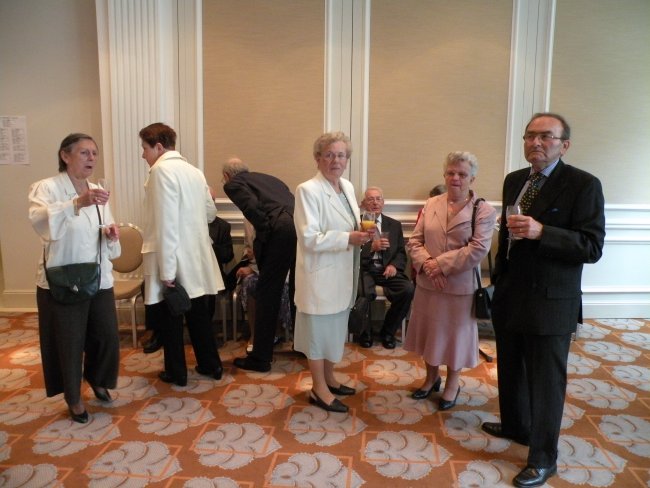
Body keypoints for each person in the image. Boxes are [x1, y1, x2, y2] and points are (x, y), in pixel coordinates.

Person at [481, 113, 605, 488]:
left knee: (546, 382)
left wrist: (542, 232)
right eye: (530, 136)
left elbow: (591, 246)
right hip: (511, 294)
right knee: (511, 369)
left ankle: (543, 458)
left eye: (546, 137)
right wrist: (498, 281)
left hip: (551, 301)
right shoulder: (515, 180)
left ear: (564, 145)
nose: (536, 143)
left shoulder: (583, 184)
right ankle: (516, 425)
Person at [28, 133, 121, 423]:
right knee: (69, 341)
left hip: (98, 275)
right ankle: (73, 397)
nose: (91, 158)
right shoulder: (46, 187)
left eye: (94, 153)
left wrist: (110, 233)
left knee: (106, 336)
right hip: (64, 278)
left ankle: (98, 378)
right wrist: (77, 203)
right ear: (65, 155)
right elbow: (40, 221)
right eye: (84, 152)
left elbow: (104, 225)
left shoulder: (98, 189)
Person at [405, 151, 496, 411]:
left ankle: (452, 384)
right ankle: (431, 378)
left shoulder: (484, 210)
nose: (455, 178)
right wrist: (428, 265)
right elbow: (415, 241)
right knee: (430, 334)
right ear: (444, 175)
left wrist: (440, 266)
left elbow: (478, 249)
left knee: (455, 338)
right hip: (428, 285)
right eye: (451, 173)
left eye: (462, 174)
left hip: (460, 288)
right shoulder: (431, 203)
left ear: (472, 178)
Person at [293, 131, 372, 413]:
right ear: (318, 158)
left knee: (334, 332)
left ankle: (329, 378)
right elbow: (309, 238)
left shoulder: (347, 187)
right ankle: (319, 389)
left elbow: (351, 223)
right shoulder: (307, 190)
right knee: (318, 336)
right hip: (319, 277)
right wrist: (348, 238)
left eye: (341, 155)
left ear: (347, 159)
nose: (335, 160)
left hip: (342, 275)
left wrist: (362, 234)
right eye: (329, 155)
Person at [140, 122, 224, 386]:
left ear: (158, 147)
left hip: (173, 256)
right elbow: (210, 213)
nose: (143, 155)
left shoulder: (160, 171)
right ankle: (211, 365)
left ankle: (176, 373)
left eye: (145, 149)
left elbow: (166, 223)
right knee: (198, 314)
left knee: (171, 318)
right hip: (196, 255)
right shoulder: (195, 171)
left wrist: (167, 271)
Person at [222, 158, 296, 373]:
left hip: (280, 230)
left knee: (267, 294)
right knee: (296, 290)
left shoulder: (233, 184)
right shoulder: (270, 179)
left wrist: (265, 235)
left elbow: (253, 211)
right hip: (299, 228)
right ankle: (303, 346)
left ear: (227, 176)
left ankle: (260, 358)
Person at [357, 186, 414, 349]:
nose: (375, 203)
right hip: (364, 268)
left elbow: (401, 252)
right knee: (362, 292)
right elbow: (350, 252)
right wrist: (371, 247)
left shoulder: (394, 225)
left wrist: (394, 266)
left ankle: (388, 332)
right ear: (363, 203)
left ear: (383, 202)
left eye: (378, 199)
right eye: (370, 199)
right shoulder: (356, 222)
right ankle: (365, 333)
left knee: (407, 289)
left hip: (385, 269)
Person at [235, 219, 292, 353]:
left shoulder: (280, 217)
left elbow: (280, 251)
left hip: (279, 268)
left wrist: (253, 268)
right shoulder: (248, 219)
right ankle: (254, 336)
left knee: (278, 286)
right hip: (255, 266)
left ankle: (276, 332)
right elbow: (247, 247)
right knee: (249, 283)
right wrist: (248, 254)